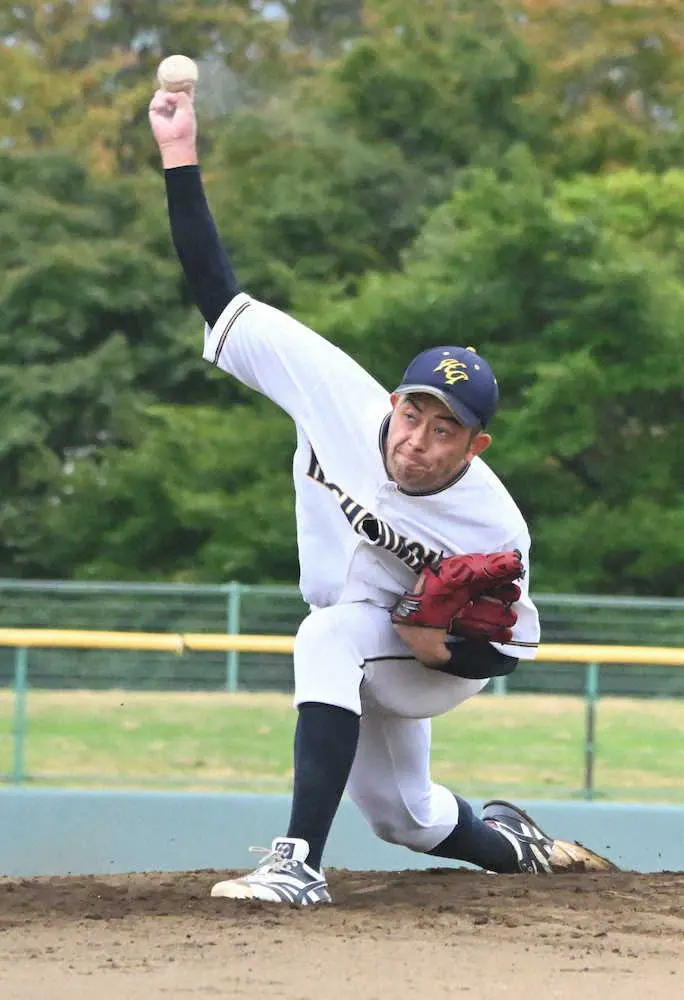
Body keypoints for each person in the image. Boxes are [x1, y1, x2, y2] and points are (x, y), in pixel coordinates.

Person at [148, 85, 614, 905]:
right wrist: (179, 158)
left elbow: (503, 649)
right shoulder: (334, 394)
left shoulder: (492, 521)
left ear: (477, 444)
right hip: (367, 631)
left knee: (325, 636)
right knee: (406, 818)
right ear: (393, 402)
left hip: (431, 661)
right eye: (413, 413)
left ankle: (296, 865)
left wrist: (445, 650)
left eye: (445, 431)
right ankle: (518, 846)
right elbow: (219, 294)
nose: (417, 440)